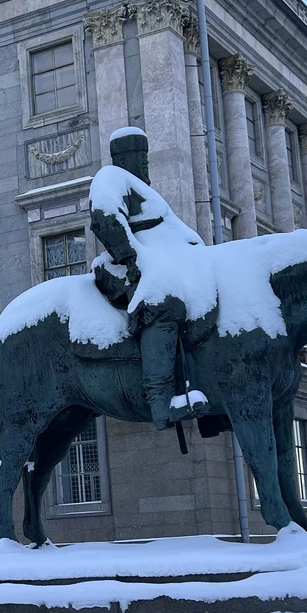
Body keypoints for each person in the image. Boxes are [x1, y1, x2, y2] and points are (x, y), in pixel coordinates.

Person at [89, 127, 213, 430]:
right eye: (139, 159)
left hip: (172, 265)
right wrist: (132, 258)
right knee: (163, 304)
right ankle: (161, 403)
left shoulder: (145, 190)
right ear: (123, 158)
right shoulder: (111, 178)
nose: (145, 166)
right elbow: (105, 217)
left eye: (145, 159)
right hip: (135, 270)